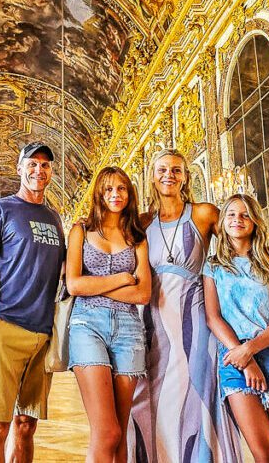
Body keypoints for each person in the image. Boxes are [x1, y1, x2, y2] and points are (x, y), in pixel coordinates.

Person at [129, 149, 269, 463]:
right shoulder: (141, 222)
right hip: (155, 321)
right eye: (163, 169)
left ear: (185, 177)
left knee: (197, 396)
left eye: (177, 170)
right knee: (157, 398)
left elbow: (241, 239)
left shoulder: (205, 213)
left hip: (197, 319)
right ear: (152, 176)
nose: (169, 175)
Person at [0, 141, 65, 463]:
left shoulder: (54, 217)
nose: (39, 170)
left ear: (51, 172)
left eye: (45, 165)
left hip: (42, 334)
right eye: (32, 164)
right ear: (19, 168)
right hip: (5, 327)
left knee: (26, 424)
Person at [203, 194, 269, 463]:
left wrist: (250, 349)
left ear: (255, 222)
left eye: (245, 214)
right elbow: (213, 318)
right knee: (266, 454)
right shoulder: (213, 267)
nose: (238, 219)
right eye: (232, 214)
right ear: (223, 221)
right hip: (234, 360)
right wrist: (244, 357)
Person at [66, 167, 151, 462]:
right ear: (99, 194)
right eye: (109, 189)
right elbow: (74, 284)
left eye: (122, 189)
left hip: (129, 329)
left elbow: (143, 294)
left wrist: (96, 286)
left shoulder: (137, 236)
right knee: (107, 432)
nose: (116, 195)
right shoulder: (80, 231)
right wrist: (122, 278)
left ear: (130, 193)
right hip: (87, 325)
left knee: (121, 431)